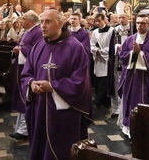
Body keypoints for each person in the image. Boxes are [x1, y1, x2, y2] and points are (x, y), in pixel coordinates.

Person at [21, 9, 93, 159]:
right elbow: (26, 74)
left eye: (48, 22)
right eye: (41, 22)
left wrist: (53, 87)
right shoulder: (37, 47)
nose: (43, 26)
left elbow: (80, 83)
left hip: (62, 114)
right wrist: (31, 84)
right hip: (39, 109)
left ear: (61, 23)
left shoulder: (75, 48)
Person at [118, 13, 149, 138]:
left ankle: (145, 128)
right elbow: (122, 57)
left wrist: (140, 54)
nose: (140, 25)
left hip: (146, 79)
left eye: (143, 23)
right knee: (130, 102)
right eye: (138, 23)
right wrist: (133, 53)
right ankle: (129, 127)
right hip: (131, 79)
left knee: (144, 102)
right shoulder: (130, 39)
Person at [10, 10, 43, 140]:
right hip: (21, 67)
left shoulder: (37, 32)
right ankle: (22, 127)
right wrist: (17, 48)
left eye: (23, 19)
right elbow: (20, 44)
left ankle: (25, 129)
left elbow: (37, 50)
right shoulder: (27, 32)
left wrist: (21, 49)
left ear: (31, 20)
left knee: (27, 96)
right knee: (21, 97)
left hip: (30, 69)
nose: (21, 21)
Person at [90, 13, 116, 108]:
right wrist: (96, 51)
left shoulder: (111, 31)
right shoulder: (95, 32)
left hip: (106, 59)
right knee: (98, 80)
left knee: (105, 81)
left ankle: (102, 101)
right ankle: (99, 99)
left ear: (104, 20)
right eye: (96, 21)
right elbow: (91, 45)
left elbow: (113, 46)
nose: (98, 23)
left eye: (99, 21)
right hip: (98, 60)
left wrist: (102, 52)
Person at [112, 11, 131, 122]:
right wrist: (116, 46)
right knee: (118, 81)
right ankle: (118, 107)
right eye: (119, 17)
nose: (121, 19)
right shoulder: (116, 29)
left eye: (123, 17)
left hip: (130, 57)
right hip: (119, 59)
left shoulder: (132, 28)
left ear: (128, 17)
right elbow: (112, 43)